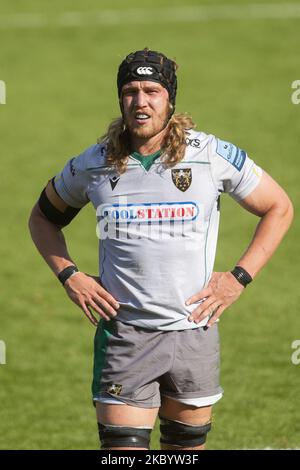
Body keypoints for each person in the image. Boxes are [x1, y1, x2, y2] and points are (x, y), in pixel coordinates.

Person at [29, 48, 294, 451]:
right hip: (125, 337)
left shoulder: (209, 155)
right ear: (120, 98)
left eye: (152, 90)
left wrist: (238, 279)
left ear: (170, 98)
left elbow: (279, 207)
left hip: (194, 334)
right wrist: (71, 276)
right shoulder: (94, 163)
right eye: (131, 90)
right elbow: (43, 218)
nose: (141, 101)